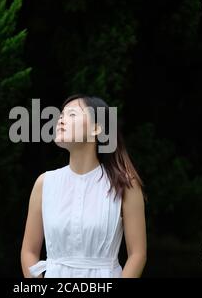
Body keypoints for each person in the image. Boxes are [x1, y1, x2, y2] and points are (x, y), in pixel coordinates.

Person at [21, 94, 147, 278]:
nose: (61, 119)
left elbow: (137, 254)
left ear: (97, 128)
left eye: (72, 115)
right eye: (61, 115)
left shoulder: (125, 184)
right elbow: (29, 252)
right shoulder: (45, 183)